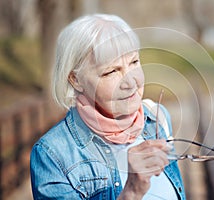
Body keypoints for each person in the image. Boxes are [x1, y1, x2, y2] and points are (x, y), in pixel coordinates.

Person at [30, 14, 186, 199]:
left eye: (134, 62)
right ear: (75, 80)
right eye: (112, 71)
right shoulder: (52, 155)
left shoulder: (157, 119)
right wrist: (131, 192)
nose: (131, 82)